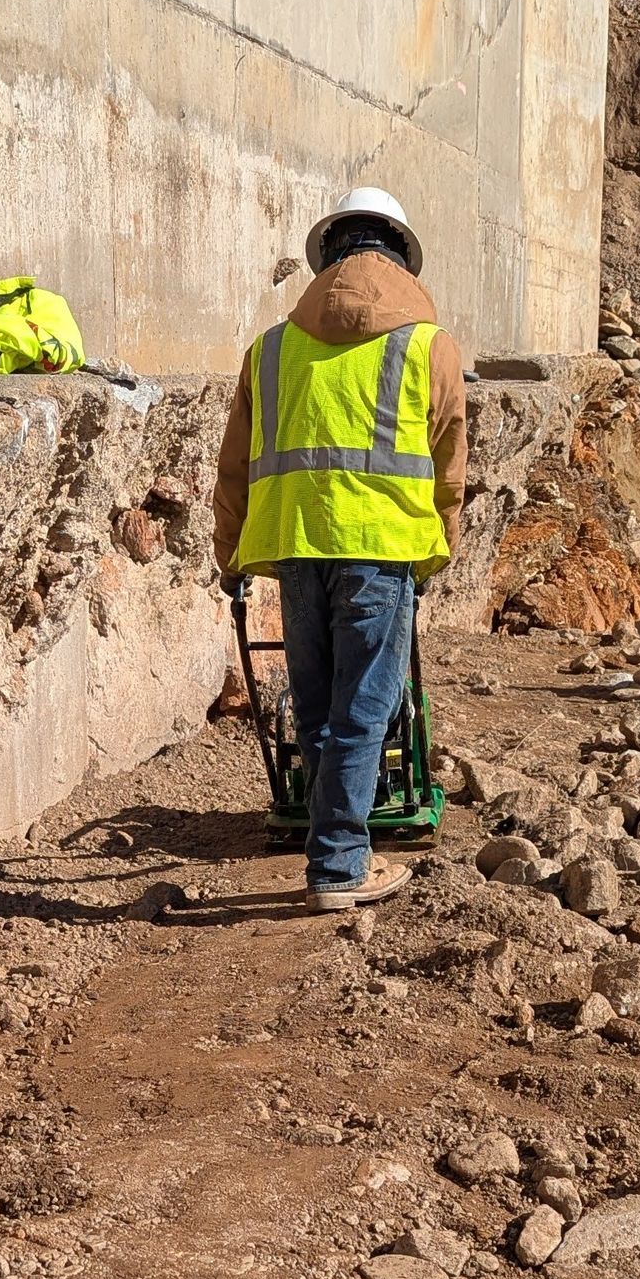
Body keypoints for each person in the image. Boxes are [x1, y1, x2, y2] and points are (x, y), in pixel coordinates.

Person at [211, 187, 468, 910]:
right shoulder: (429, 347)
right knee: (368, 703)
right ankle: (339, 865)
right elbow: (450, 464)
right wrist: (436, 549)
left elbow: (234, 467)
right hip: (381, 549)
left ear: (326, 259)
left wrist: (230, 555)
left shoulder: (270, 351)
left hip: (295, 546)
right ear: (402, 260)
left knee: (320, 703)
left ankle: (333, 838)